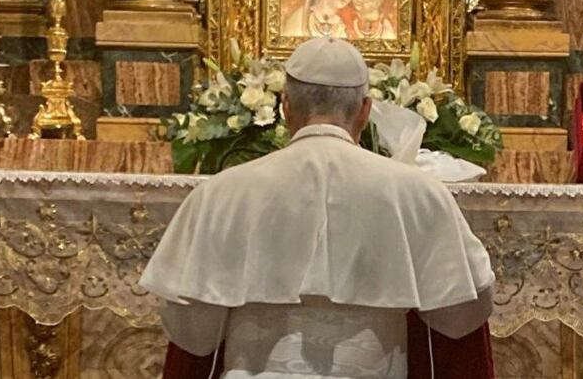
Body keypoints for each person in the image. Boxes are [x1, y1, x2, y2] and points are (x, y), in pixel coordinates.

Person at [140, 37, 495, 378]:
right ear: (365, 110)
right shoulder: (419, 193)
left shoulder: (222, 192)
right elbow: (462, 314)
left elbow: (193, 334)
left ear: (285, 106)